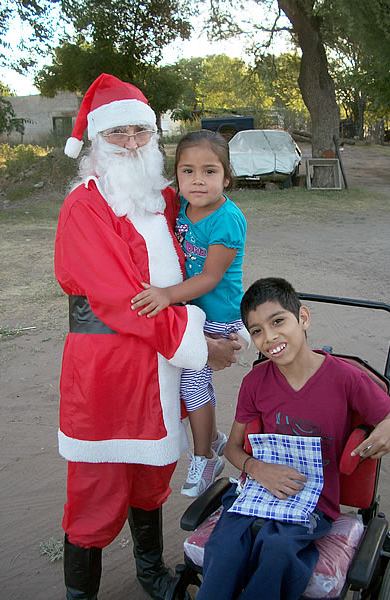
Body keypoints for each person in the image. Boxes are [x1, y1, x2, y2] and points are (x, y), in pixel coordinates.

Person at [55, 73, 241, 600]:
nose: (133, 144)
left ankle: (151, 570)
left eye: (141, 132)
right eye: (119, 134)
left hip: (160, 366)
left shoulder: (164, 199)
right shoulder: (85, 208)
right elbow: (120, 299)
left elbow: (211, 230)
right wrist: (200, 345)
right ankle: (80, 595)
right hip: (109, 369)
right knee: (96, 487)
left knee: (152, 472)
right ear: (96, 141)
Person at [197, 277, 390, 600]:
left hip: (313, 499)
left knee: (278, 552)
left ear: (304, 318)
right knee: (224, 549)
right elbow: (234, 448)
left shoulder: (346, 379)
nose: (269, 337)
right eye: (257, 331)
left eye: (278, 321)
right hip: (258, 488)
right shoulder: (255, 382)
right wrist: (257, 469)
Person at [131, 130, 249, 498]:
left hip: (215, 313)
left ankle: (206, 457)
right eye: (188, 171)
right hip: (191, 311)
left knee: (193, 384)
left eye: (210, 171)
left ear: (227, 178)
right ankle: (210, 439)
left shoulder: (226, 219)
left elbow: (211, 277)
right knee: (186, 384)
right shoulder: (183, 207)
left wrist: (166, 295)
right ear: (177, 176)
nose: (198, 180)